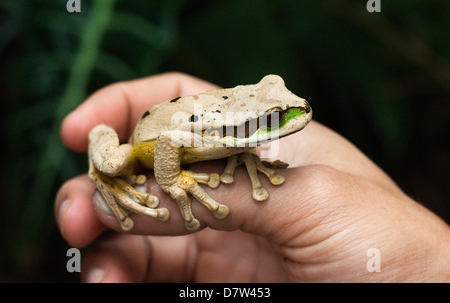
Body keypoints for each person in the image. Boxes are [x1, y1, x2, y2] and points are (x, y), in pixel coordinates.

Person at [55, 72, 450, 282]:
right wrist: (173, 182)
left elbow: (235, 133)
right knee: (113, 163)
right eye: (271, 119)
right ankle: (105, 174)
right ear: (249, 126)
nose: (299, 111)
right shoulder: (215, 134)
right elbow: (170, 140)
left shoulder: (233, 134)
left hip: (216, 133)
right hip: (145, 144)